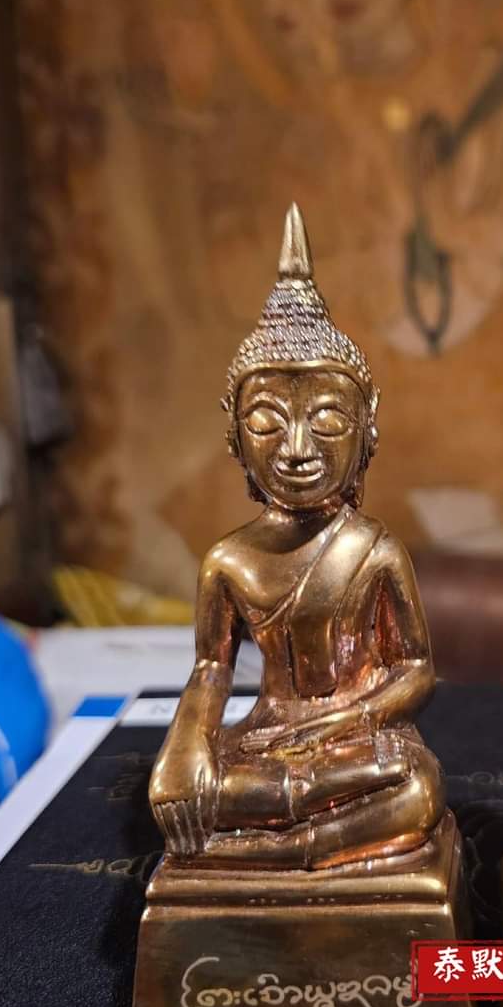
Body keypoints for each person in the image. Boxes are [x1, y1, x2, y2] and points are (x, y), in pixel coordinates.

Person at [148, 205, 442, 868]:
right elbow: (211, 670)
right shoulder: (230, 561)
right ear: (235, 437)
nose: (298, 449)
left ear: (368, 430)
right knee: (189, 792)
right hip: (267, 741)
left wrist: (345, 721)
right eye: (267, 421)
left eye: (328, 419)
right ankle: (293, 842)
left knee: (418, 788)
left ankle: (282, 848)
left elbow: (416, 669)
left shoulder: (375, 550)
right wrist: (184, 747)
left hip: (354, 742)